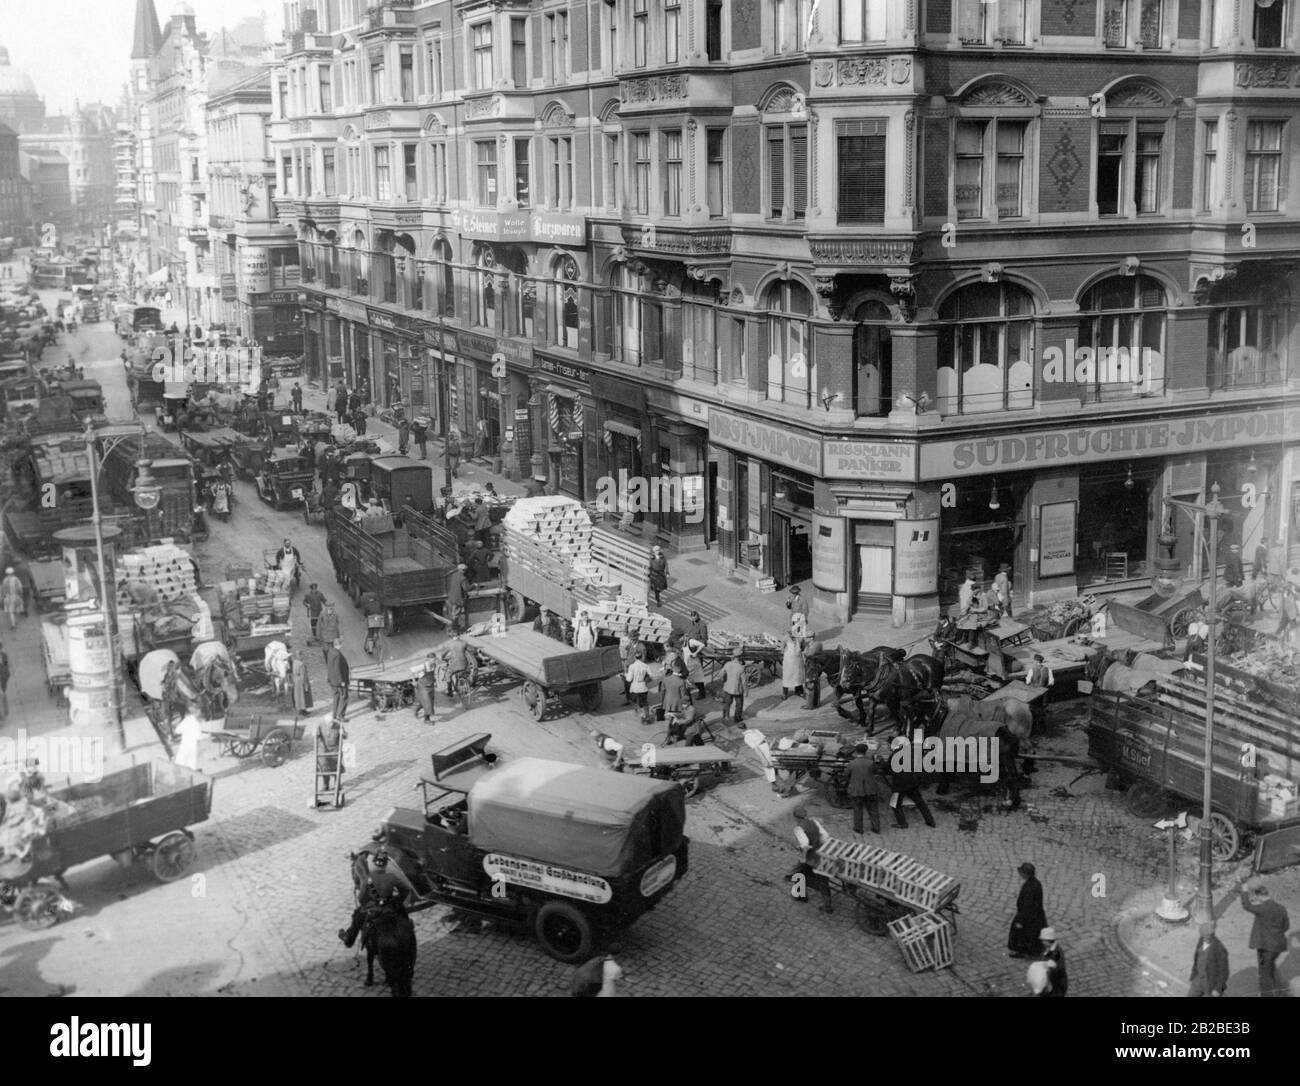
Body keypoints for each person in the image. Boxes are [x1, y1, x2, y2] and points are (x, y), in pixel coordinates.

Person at [338, 847, 412, 948]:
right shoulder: (391, 876)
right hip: (389, 906)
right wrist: (396, 901)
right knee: (403, 915)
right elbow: (405, 890)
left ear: (374, 862)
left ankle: (349, 939)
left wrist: (366, 905)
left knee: (357, 916)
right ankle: (410, 928)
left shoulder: (367, 878)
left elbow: (362, 898)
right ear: (386, 864)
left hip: (373, 908)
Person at [1240, 878, 1290, 997]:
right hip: (1277, 946)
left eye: (1255, 897)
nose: (1256, 900)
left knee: (1264, 974)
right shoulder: (1281, 908)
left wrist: (1244, 891)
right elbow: (1286, 926)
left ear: (1258, 895)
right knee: (1271, 967)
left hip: (1265, 947)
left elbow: (1247, 905)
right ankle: (1282, 990)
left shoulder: (1262, 909)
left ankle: (1266, 995)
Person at [791, 806, 834, 913]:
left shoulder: (798, 828)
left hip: (812, 857)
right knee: (819, 877)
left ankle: (803, 896)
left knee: (799, 872)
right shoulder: (814, 822)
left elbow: (804, 845)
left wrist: (803, 857)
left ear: (796, 818)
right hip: (822, 851)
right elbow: (825, 836)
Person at [1008, 862, 1047, 958]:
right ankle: (1034, 950)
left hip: (1029, 917)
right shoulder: (1036, 883)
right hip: (1037, 915)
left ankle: (1022, 952)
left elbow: (1027, 906)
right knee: (1034, 935)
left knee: (1021, 934)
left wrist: (1020, 921)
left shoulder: (1029, 888)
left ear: (1025, 874)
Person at [846, 744, 886, 837]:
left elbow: (846, 774)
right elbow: (875, 771)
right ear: (866, 751)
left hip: (857, 790)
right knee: (873, 809)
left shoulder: (852, 763)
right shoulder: (870, 763)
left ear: (856, 752)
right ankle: (876, 828)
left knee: (857, 809)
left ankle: (858, 828)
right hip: (870, 789)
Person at [1187, 921, 1230, 997]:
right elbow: (1197, 958)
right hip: (1198, 979)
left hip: (1210, 983)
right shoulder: (1201, 940)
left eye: (1210, 936)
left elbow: (1224, 972)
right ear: (1202, 935)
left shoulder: (1220, 949)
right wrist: (1194, 975)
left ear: (1213, 935)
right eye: (1205, 936)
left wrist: (1217, 989)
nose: (1207, 938)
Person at [625, 646, 653, 725]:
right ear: (641, 657)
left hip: (635, 687)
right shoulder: (645, 666)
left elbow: (629, 679)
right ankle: (646, 717)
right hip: (643, 686)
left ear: (635, 657)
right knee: (644, 702)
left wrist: (626, 675)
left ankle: (640, 714)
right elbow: (651, 676)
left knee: (633, 701)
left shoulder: (632, 666)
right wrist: (646, 681)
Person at [439, 630, 471, 698]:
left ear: (451, 637)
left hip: (455, 664)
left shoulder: (450, 644)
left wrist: (441, 657)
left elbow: (444, 653)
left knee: (448, 674)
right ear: (459, 635)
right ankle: (463, 684)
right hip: (464, 663)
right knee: (461, 672)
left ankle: (450, 692)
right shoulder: (464, 642)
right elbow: (471, 650)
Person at [720, 645, 747, 724]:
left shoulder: (727, 664)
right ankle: (737, 718)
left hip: (727, 688)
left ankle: (725, 716)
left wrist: (724, 681)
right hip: (737, 690)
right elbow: (744, 681)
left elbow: (721, 674)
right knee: (739, 704)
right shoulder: (740, 667)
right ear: (740, 657)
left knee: (727, 703)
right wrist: (746, 691)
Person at [957, 574, 985, 646]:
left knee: (971, 624)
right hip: (969, 610)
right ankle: (964, 639)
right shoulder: (970, 589)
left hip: (976, 612)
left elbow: (982, 606)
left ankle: (970, 641)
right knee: (964, 622)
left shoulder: (981, 596)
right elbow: (968, 602)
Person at [326, 639, 350, 723]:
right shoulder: (337, 654)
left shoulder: (330, 652)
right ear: (339, 645)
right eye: (341, 644)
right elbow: (337, 669)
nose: (342, 646)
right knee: (344, 696)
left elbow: (330, 666)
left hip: (332, 680)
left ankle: (334, 715)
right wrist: (342, 681)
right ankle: (341, 716)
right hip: (339, 681)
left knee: (336, 697)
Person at [1039, 928, 1068, 997]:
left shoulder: (1056, 954)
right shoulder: (1048, 948)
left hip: (1055, 985)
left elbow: (1055, 971)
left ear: (1048, 941)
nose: (1042, 942)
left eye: (1043, 940)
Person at [445, 563, 469, 632]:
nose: (465, 571)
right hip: (458, 599)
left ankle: (455, 626)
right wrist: (474, 585)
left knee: (453, 613)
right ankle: (453, 630)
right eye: (464, 570)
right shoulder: (463, 578)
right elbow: (466, 588)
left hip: (452, 598)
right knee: (455, 615)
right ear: (462, 570)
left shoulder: (453, 575)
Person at [414, 653, 438, 723]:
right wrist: (414, 681)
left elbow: (433, 674)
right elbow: (413, 671)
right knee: (427, 702)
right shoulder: (423, 666)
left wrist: (435, 681)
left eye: (434, 658)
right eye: (432, 659)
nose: (434, 660)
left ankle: (416, 709)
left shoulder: (434, 665)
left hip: (430, 685)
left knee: (427, 701)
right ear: (428, 659)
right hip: (422, 686)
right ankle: (426, 720)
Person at [683, 637, 708, 701]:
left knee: (698, 679)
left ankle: (702, 694)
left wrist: (696, 653)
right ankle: (694, 692)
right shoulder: (683, 642)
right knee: (691, 679)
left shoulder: (691, 641)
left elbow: (702, 645)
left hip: (695, 663)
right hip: (688, 663)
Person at [290, 649, 313, 718]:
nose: (303, 656)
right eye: (302, 655)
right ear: (299, 656)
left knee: (298, 696)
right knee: (303, 696)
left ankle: (300, 709)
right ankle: (303, 710)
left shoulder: (295, 662)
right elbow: (303, 675)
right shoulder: (301, 664)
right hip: (301, 682)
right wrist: (306, 684)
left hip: (296, 681)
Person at [781, 633, 805, 699]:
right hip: (788, 662)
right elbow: (782, 648)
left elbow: (803, 647)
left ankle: (799, 691)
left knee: (798, 676)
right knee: (787, 676)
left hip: (797, 661)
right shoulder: (785, 638)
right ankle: (785, 693)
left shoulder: (800, 638)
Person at [0, 642, 8, 721]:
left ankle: (3, 714)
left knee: (3, 695)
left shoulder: (4, 656)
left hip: (2, 679)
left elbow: (6, 667)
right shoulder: (4, 655)